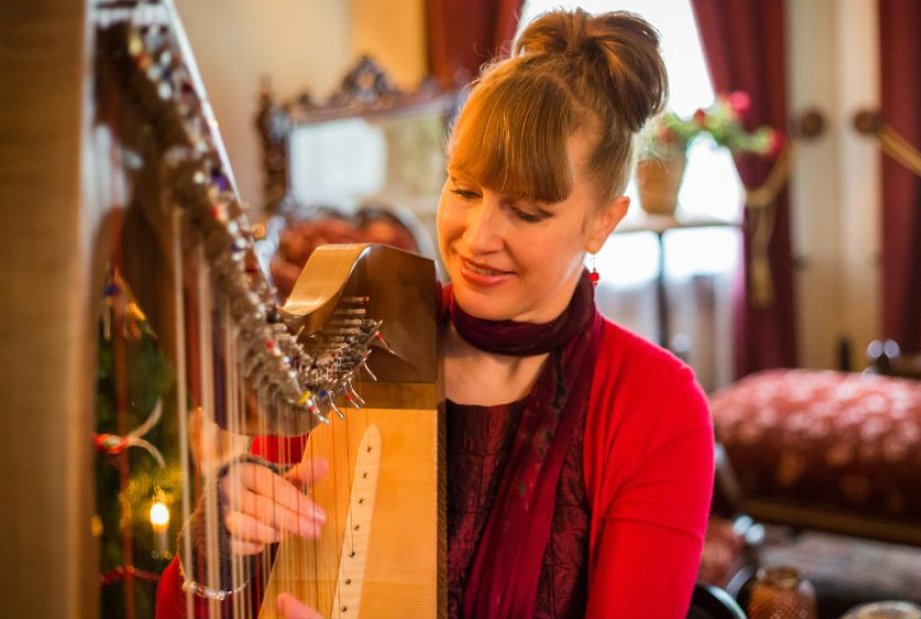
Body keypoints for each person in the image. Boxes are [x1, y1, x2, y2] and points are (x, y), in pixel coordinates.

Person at [156, 8, 714, 618]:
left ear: (603, 221)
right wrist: (213, 555)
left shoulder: (656, 407)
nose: (477, 237)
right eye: (466, 189)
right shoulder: (352, 355)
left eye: (526, 212)